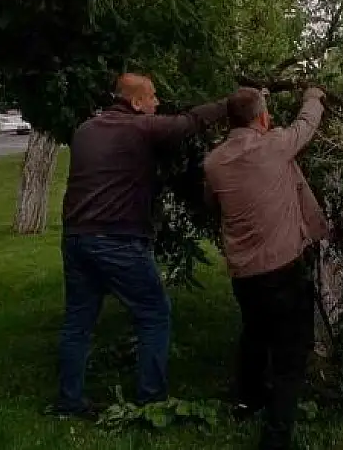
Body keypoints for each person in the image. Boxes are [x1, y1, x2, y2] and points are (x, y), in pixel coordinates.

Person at [54, 73, 229, 419]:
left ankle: (68, 402)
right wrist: (231, 102)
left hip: (76, 237)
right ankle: (152, 401)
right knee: (154, 314)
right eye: (152, 98)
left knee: (78, 321)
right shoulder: (139, 128)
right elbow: (189, 124)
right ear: (135, 103)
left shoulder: (86, 129)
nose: (157, 103)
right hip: (116, 238)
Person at [203, 86, 329, 450]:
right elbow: (307, 124)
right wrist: (313, 96)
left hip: (245, 276)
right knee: (290, 359)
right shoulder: (275, 145)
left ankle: (247, 399)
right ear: (261, 118)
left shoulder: (213, 163)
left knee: (255, 333)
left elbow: (212, 203)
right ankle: (275, 439)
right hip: (283, 271)